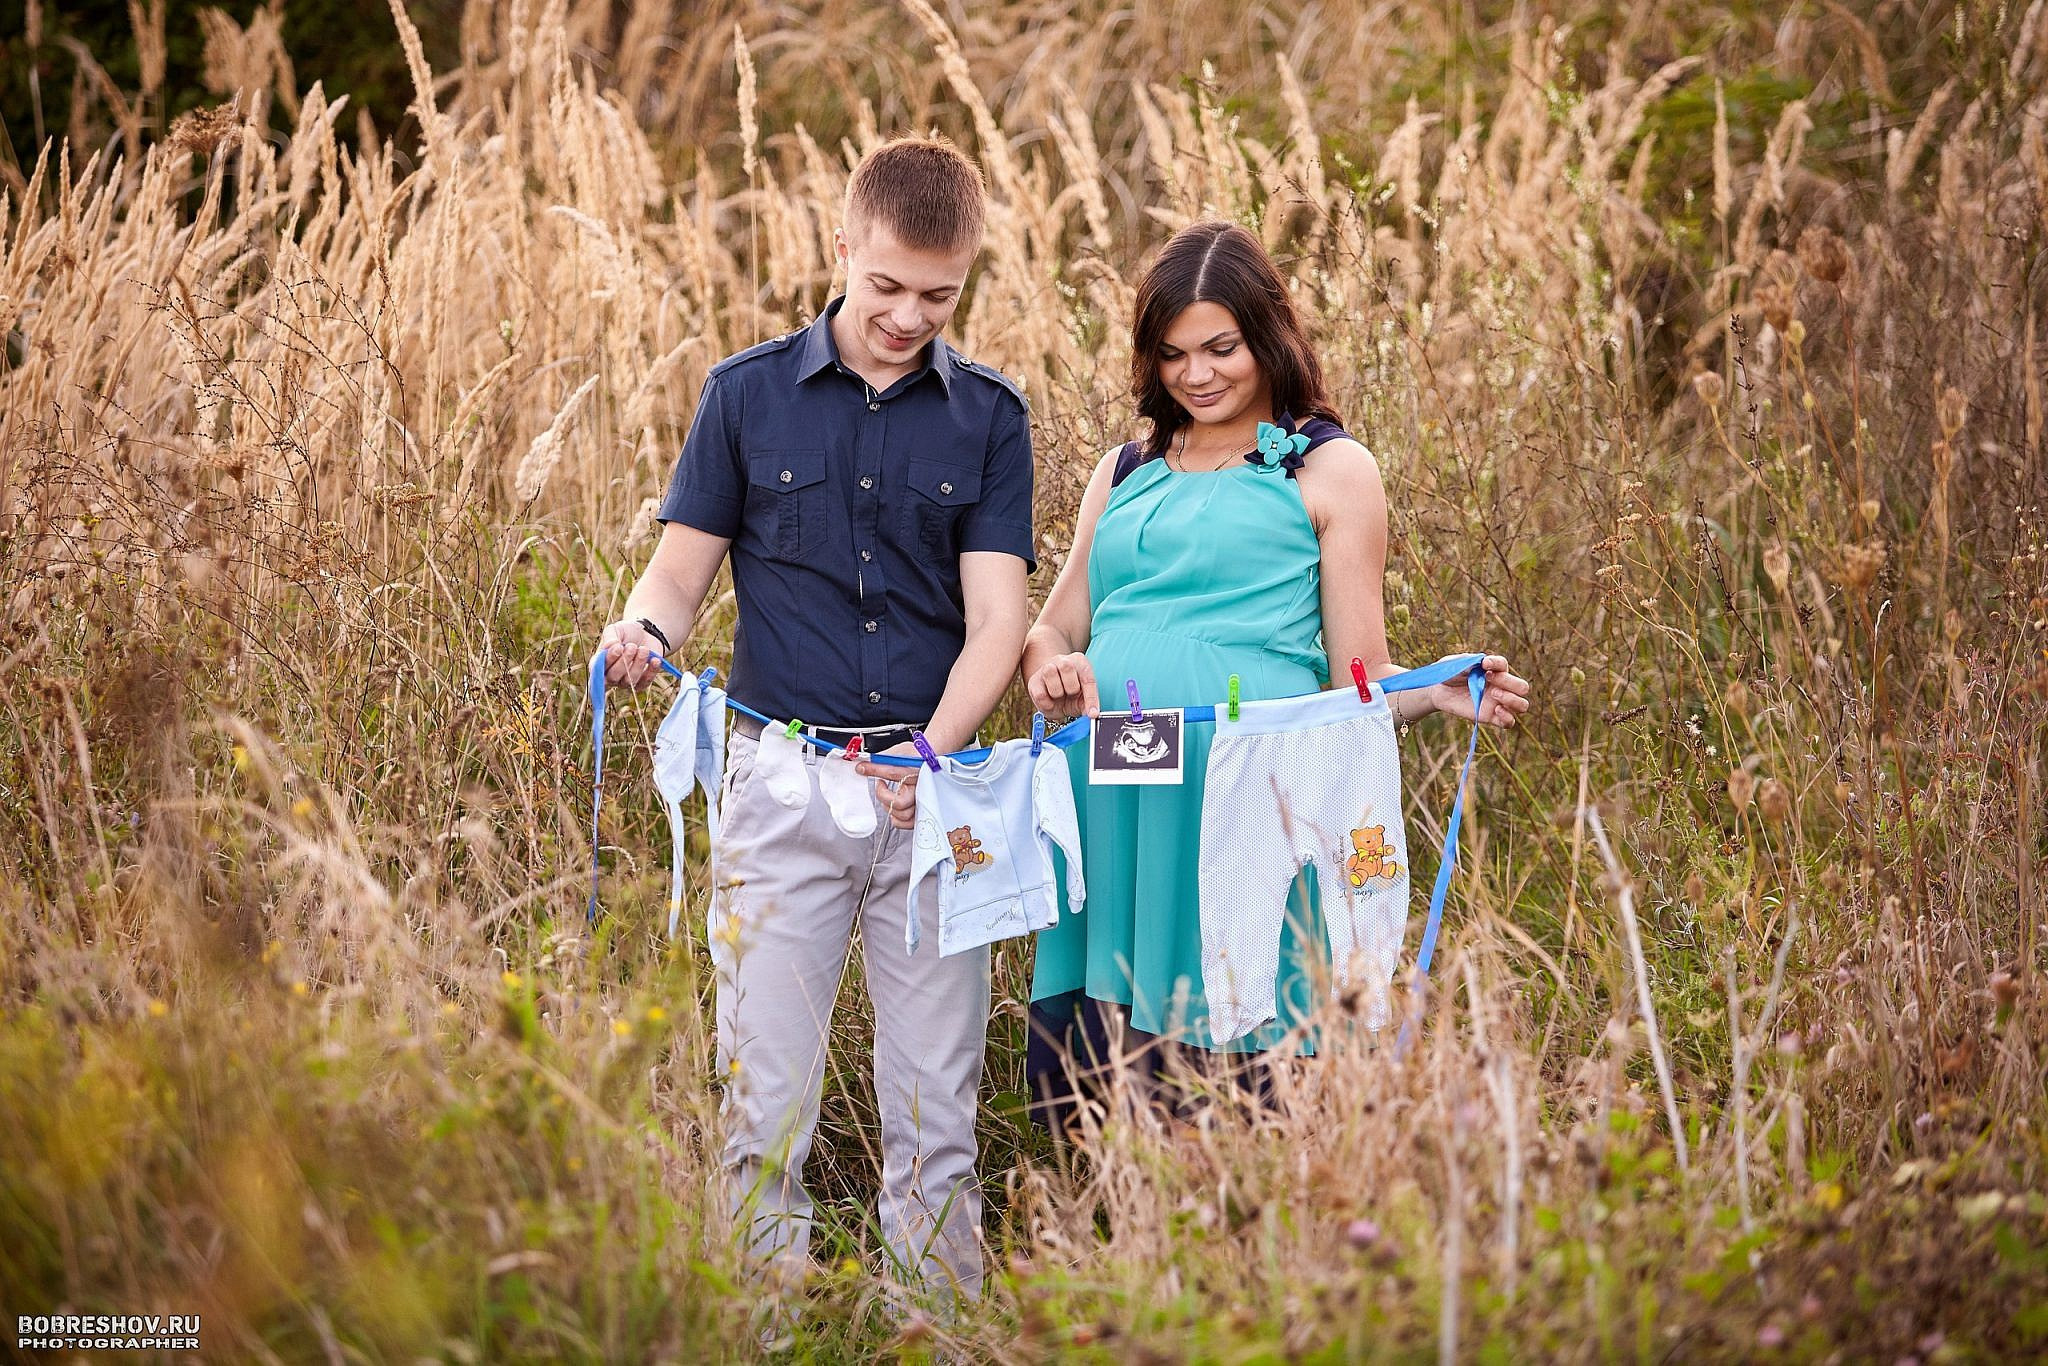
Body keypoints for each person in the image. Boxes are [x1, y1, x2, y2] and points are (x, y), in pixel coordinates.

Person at [596, 136, 1034, 1300]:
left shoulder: (990, 418)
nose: (905, 316)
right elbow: (677, 580)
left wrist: (931, 752)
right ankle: (762, 1326)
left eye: (937, 296)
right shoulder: (744, 396)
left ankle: (933, 1325)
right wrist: (641, 631)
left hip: (933, 797)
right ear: (842, 246)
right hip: (778, 788)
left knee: (938, 1108)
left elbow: (997, 622)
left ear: (967, 278)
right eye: (885, 285)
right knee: (761, 1101)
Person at [1018, 220, 1531, 1130]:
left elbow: (1356, 681)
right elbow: (1057, 622)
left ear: (1271, 338)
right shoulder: (1126, 468)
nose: (1198, 375)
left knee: (1243, 996)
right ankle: (1125, 1224)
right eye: (1173, 355)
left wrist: (1432, 690)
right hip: (1119, 781)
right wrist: (1051, 668)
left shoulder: (1334, 470)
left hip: (1248, 797)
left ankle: (1251, 1215)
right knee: (1116, 1050)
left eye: (1222, 348)